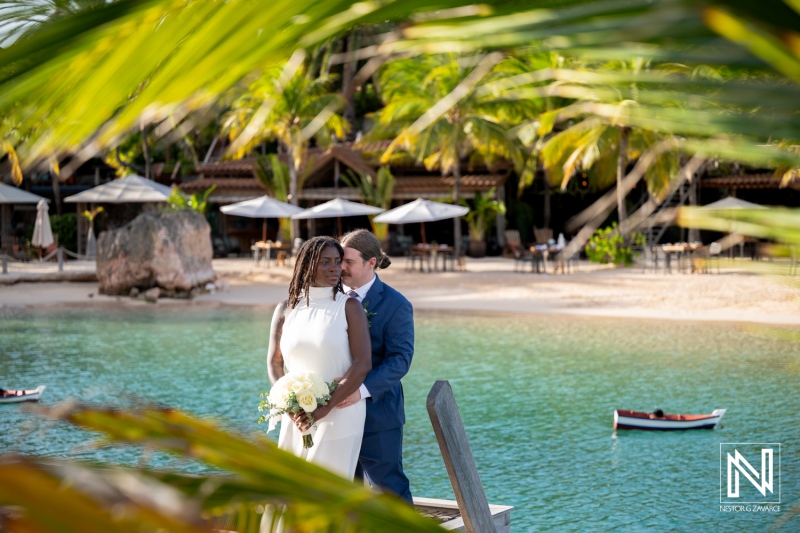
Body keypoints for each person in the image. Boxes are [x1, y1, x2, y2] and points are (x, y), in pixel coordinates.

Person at [266, 236, 372, 480]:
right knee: (292, 485)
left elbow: (363, 363)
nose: (335, 267)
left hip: (339, 413)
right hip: (296, 415)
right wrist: (289, 405)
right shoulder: (286, 308)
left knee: (326, 487)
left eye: (337, 261)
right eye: (325, 262)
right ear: (307, 264)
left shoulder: (349, 307)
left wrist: (324, 408)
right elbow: (275, 363)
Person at [336, 229, 414, 503]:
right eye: (339, 260)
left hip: (378, 413)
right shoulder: (330, 299)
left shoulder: (396, 305)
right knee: (345, 488)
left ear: (371, 263)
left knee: (389, 488)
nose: (341, 268)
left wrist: (361, 390)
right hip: (335, 412)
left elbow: (400, 361)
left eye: (349, 262)